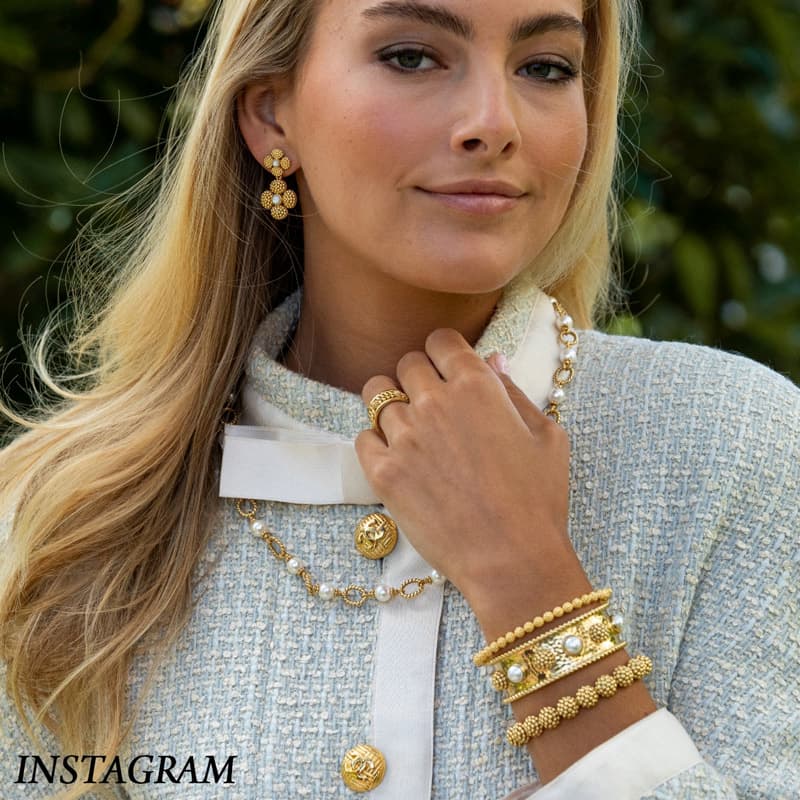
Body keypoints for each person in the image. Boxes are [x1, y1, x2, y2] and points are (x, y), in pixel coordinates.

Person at [1, 0, 798, 798]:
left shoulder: (734, 446)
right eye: (412, 56)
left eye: (546, 68)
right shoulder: (61, 521)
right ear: (270, 114)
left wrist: (531, 584)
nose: (494, 122)